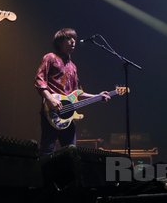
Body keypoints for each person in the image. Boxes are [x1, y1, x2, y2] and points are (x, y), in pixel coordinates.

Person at [34, 27, 110, 156]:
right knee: (47, 150)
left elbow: (77, 93)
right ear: (59, 42)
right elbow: (39, 80)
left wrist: (98, 96)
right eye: (69, 38)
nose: (73, 41)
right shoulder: (50, 57)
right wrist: (50, 98)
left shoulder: (73, 67)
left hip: (68, 115)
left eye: (74, 38)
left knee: (71, 152)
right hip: (52, 112)